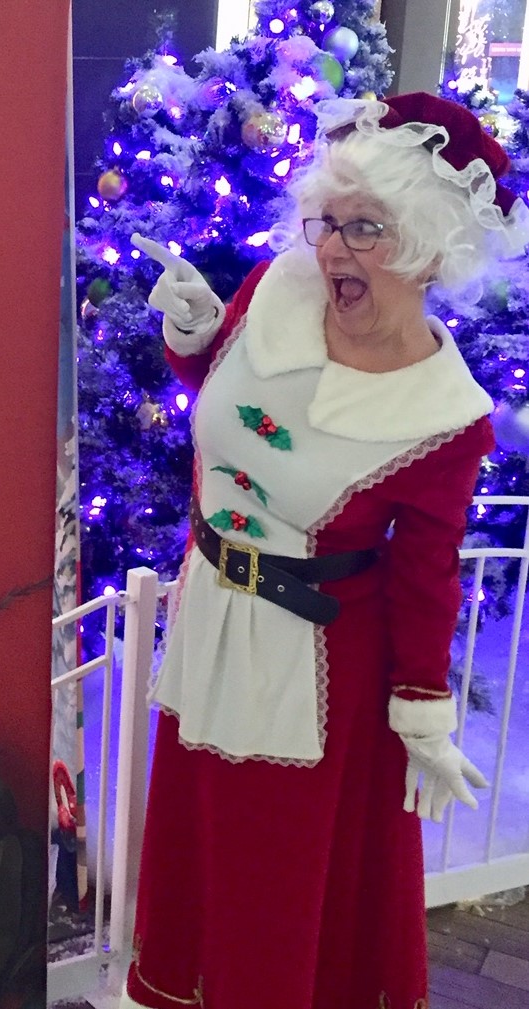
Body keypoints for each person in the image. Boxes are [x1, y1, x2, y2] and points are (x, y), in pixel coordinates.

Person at [122, 92, 529, 1009]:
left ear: (429, 252)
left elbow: (426, 576)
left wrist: (422, 709)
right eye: (329, 221)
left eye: (367, 229)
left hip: (315, 670)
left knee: (275, 880)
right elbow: (229, 409)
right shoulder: (278, 287)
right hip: (213, 624)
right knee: (200, 852)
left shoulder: (444, 418)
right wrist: (193, 335)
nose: (334, 248)